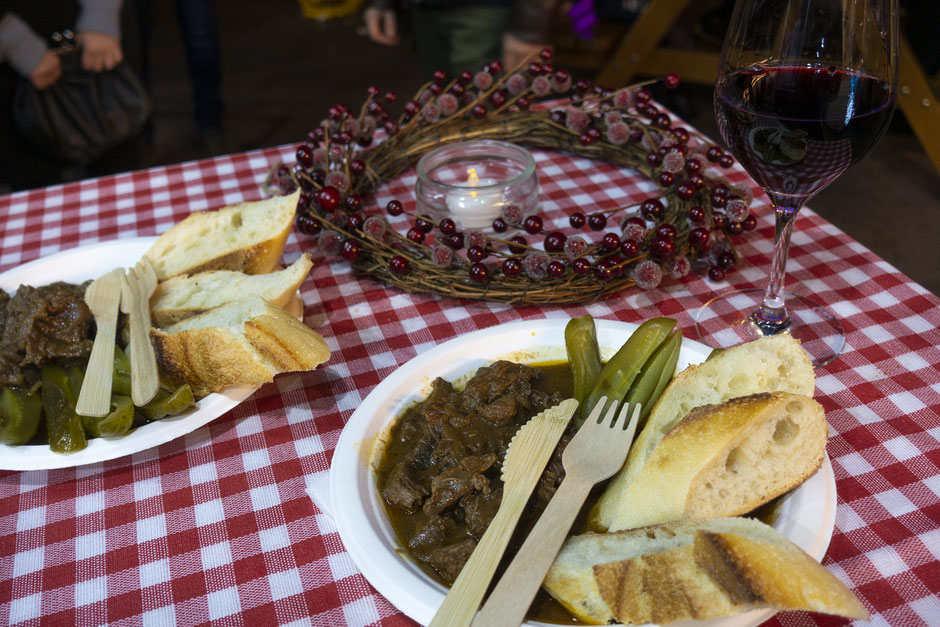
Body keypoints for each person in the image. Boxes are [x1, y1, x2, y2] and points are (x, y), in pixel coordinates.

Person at [0, 0, 132, 191]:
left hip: (100, 38)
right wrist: (13, 40)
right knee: (33, 180)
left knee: (119, 171)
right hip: (12, 58)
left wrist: (102, 13)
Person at [363, 0, 561, 78]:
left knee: (490, 112)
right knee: (442, 106)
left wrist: (530, 25)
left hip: (488, 10)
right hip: (422, 11)